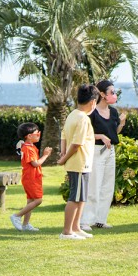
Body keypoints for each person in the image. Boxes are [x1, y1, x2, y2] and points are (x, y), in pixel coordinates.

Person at [80, 79, 126, 230]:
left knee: (107, 186)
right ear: (102, 94)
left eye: (114, 92)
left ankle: (100, 219)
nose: (114, 95)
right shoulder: (92, 113)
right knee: (94, 186)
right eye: (111, 92)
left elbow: (114, 133)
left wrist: (121, 124)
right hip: (95, 151)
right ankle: (86, 220)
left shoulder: (113, 112)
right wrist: (100, 136)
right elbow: (85, 134)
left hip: (109, 151)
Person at [56, 83, 98, 240]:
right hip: (79, 163)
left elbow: (63, 135)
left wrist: (62, 152)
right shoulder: (83, 119)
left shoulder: (72, 114)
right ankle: (67, 232)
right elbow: (76, 144)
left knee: (81, 197)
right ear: (93, 102)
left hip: (81, 164)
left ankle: (76, 228)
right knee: (75, 197)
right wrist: (63, 158)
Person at [10, 123, 52, 232]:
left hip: (32, 177)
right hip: (31, 178)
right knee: (38, 200)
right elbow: (36, 163)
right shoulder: (28, 149)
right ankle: (16, 216)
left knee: (30, 201)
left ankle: (25, 225)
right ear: (29, 136)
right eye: (37, 133)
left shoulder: (30, 146)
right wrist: (46, 155)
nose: (39, 134)